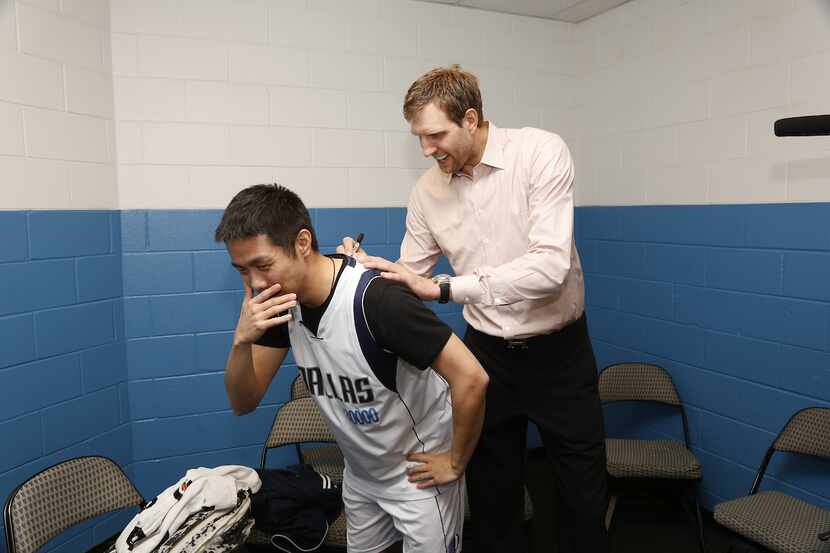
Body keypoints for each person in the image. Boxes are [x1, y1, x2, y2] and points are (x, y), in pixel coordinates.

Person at [340, 66, 609, 553]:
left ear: (470, 118)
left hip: (560, 356)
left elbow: (549, 268)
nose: (427, 149)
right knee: (491, 498)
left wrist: (444, 289)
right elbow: (410, 273)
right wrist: (366, 270)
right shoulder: (427, 190)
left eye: (435, 135)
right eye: (419, 137)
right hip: (487, 355)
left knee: (581, 496)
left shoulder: (540, 153)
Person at [214, 183, 489, 553]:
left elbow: (472, 377)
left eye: (263, 265)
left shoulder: (377, 300)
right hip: (361, 474)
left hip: (419, 475)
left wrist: (455, 462)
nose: (256, 283)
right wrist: (241, 341)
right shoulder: (281, 304)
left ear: (301, 243)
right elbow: (243, 401)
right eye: (242, 271)